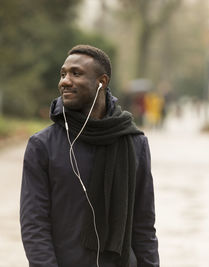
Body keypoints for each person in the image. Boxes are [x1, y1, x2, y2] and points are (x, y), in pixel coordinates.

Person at [20, 45, 159, 267]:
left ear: (101, 81)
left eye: (76, 73)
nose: (65, 81)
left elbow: (143, 223)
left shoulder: (135, 143)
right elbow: (34, 224)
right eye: (63, 74)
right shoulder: (42, 146)